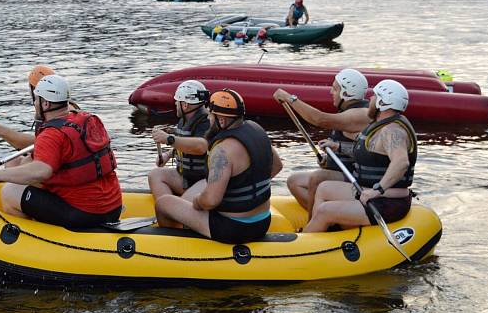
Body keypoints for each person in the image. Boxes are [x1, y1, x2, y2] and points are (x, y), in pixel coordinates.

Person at [0, 74, 123, 228]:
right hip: (114, 206)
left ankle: (33, 240)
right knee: (15, 163)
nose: (35, 104)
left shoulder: (52, 133)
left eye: (37, 100)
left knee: (9, 191)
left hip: (85, 214)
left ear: (46, 104)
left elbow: (40, 172)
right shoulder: (89, 119)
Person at [154, 89, 283, 243]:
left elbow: (210, 201)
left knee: (163, 203)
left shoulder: (222, 150)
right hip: (263, 221)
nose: (208, 118)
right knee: (202, 186)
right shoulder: (257, 130)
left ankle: (177, 248)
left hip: (233, 228)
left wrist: (197, 201)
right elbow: (277, 166)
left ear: (221, 121)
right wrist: (242, 189)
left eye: (210, 115)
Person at [304, 80, 417, 233]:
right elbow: (370, 153)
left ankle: (308, 243)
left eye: (375, 97)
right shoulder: (381, 125)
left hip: (386, 202)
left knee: (325, 210)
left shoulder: (392, 131)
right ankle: (324, 233)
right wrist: (338, 147)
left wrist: (377, 190)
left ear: (383, 102)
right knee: (323, 188)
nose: (370, 99)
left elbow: (401, 162)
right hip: (366, 191)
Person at [273, 68, 371, 212]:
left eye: (335, 89)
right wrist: (328, 159)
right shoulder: (349, 111)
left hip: (357, 176)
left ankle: (314, 224)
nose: (331, 92)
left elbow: (320, 120)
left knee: (318, 177)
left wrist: (290, 98)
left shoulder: (361, 114)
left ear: (347, 93)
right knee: (294, 181)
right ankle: (328, 217)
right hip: (346, 170)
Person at [0, 65, 79, 150]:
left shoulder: (66, 110)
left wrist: (1, 131)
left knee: (14, 163)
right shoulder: (50, 109)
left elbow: (43, 144)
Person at [149, 80, 211, 201]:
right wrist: (168, 154)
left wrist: (168, 139)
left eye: (177, 101)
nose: (175, 103)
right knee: (155, 174)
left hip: (204, 181)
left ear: (185, 105)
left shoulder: (205, 122)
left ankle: (176, 211)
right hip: (187, 178)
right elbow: (186, 144)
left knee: (184, 202)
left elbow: (201, 147)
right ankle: (167, 209)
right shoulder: (185, 120)